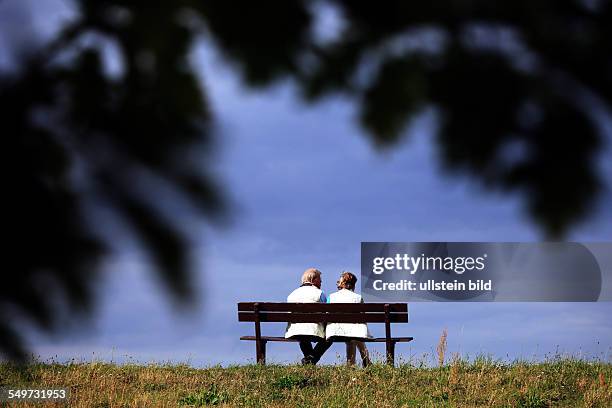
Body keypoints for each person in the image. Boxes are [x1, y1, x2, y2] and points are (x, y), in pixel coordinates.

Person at [285, 268, 333, 365]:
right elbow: (326, 314)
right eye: (320, 280)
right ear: (314, 280)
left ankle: (309, 360)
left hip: (295, 330)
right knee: (330, 337)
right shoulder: (320, 293)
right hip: (314, 330)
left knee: (303, 335)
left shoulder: (292, 295)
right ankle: (311, 360)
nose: (321, 282)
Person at [326, 271, 371, 367]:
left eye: (339, 281)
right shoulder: (358, 298)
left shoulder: (331, 297)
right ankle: (364, 361)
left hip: (335, 332)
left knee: (351, 335)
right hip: (354, 332)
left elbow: (327, 314)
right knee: (354, 334)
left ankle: (352, 365)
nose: (337, 283)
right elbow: (363, 317)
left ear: (343, 283)